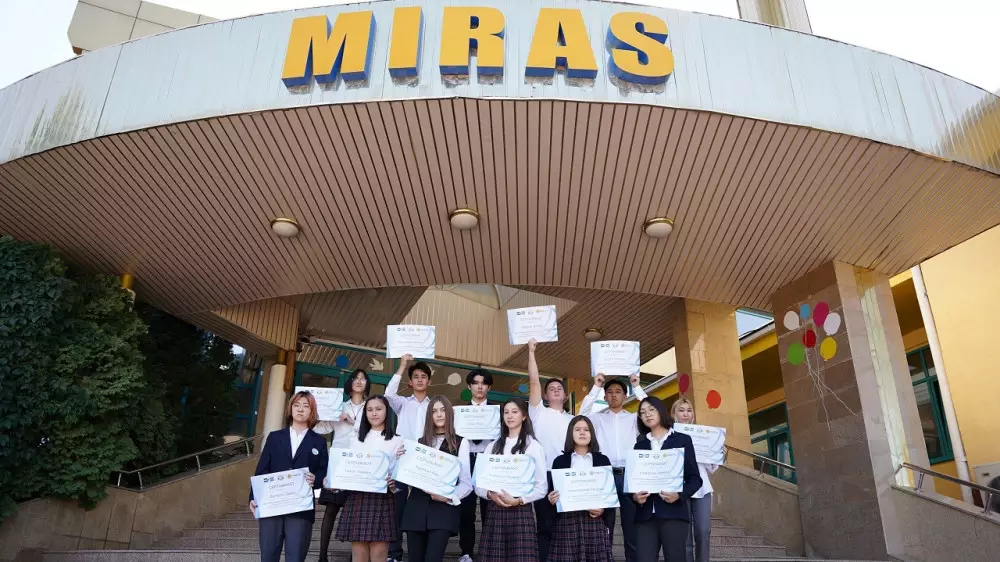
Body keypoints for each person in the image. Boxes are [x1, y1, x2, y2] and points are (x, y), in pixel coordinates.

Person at [249, 391, 329, 562]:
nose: (300, 409)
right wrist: (253, 497)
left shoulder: (319, 442)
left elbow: (324, 472)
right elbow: (262, 469)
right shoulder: (275, 437)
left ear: (312, 411)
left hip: (301, 509)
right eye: (296, 405)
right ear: (290, 409)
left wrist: (316, 479)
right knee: (268, 556)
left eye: (306, 406)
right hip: (272, 505)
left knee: (296, 557)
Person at [578, 373, 647, 562]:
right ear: (605, 396)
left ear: (625, 395)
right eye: (609, 392)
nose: (614, 395)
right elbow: (582, 414)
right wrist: (596, 386)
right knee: (604, 526)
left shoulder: (634, 419)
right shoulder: (597, 419)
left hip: (629, 475)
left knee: (631, 527)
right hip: (605, 475)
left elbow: (651, 410)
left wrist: (637, 387)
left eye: (618, 392)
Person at [400, 396, 474, 562]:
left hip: (443, 510)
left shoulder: (461, 442)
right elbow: (409, 475)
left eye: (443, 410)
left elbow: (466, 483)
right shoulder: (419, 442)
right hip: (416, 508)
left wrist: (448, 497)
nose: (439, 414)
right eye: (434, 411)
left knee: (433, 558)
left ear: (449, 414)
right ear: (429, 416)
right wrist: (402, 461)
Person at [474, 398, 547, 562]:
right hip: (495, 509)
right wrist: (490, 494)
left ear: (524, 416)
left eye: (514, 412)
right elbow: (479, 483)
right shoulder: (492, 446)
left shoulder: (533, 446)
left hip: (521, 510)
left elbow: (541, 487)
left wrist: (519, 500)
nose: (510, 416)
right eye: (506, 412)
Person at [632, 397, 702, 562]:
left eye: (651, 409)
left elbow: (695, 479)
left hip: (674, 514)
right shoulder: (639, 445)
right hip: (645, 516)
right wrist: (635, 496)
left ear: (661, 411)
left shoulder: (682, 440)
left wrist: (679, 495)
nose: (647, 414)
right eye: (643, 412)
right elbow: (633, 482)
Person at [334, 395, 404, 562]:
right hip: (358, 498)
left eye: (378, 409)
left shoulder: (398, 440)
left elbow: (398, 478)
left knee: (379, 556)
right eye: (369, 410)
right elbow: (346, 470)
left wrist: (393, 484)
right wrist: (333, 482)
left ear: (387, 412)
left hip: (383, 498)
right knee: (359, 557)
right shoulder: (354, 439)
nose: (374, 413)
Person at [313, 369, 371, 562]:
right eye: (355, 378)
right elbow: (320, 428)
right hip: (338, 464)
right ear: (349, 382)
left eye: (363, 378)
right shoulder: (339, 406)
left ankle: (356, 557)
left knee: (357, 511)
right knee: (331, 509)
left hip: (361, 465)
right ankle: (322, 556)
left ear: (367, 384)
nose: (359, 381)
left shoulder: (371, 407)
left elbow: (374, 432)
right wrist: (319, 416)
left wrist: (351, 421)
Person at [526, 338, 572, 561]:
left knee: (566, 525)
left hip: (567, 475)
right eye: (551, 389)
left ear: (565, 395)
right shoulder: (538, 412)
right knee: (545, 526)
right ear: (545, 396)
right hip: (543, 474)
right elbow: (534, 381)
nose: (555, 390)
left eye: (559, 388)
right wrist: (531, 351)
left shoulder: (574, 420)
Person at [546, 416, 614, 562]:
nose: (582, 433)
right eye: (577, 429)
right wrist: (551, 498)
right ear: (571, 433)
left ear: (592, 434)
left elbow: (609, 494)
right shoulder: (559, 461)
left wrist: (603, 509)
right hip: (567, 522)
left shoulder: (603, 460)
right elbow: (552, 493)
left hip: (594, 522)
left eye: (586, 430)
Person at [386, 354, 433, 562]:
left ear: (429, 381)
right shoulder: (403, 403)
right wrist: (403, 364)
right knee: (397, 507)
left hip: (425, 463)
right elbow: (388, 394)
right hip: (402, 462)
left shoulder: (434, 406)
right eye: (416, 376)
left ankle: (420, 552)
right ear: (410, 382)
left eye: (424, 376)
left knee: (422, 508)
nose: (420, 379)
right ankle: (394, 553)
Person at [671, 398, 717, 562]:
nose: (685, 414)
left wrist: (718, 454)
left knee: (703, 531)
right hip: (679, 490)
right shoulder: (669, 436)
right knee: (685, 537)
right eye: (681, 410)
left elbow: (711, 468)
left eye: (689, 410)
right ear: (674, 414)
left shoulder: (703, 436)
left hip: (702, 488)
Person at [458, 368, 494, 562]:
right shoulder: (460, 413)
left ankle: (488, 551)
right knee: (466, 510)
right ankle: (466, 553)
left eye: (484, 383)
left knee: (489, 509)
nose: (480, 387)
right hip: (467, 460)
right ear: (469, 386)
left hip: (488, 461)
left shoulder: (497, 412)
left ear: (489, 387)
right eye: (476, 383)